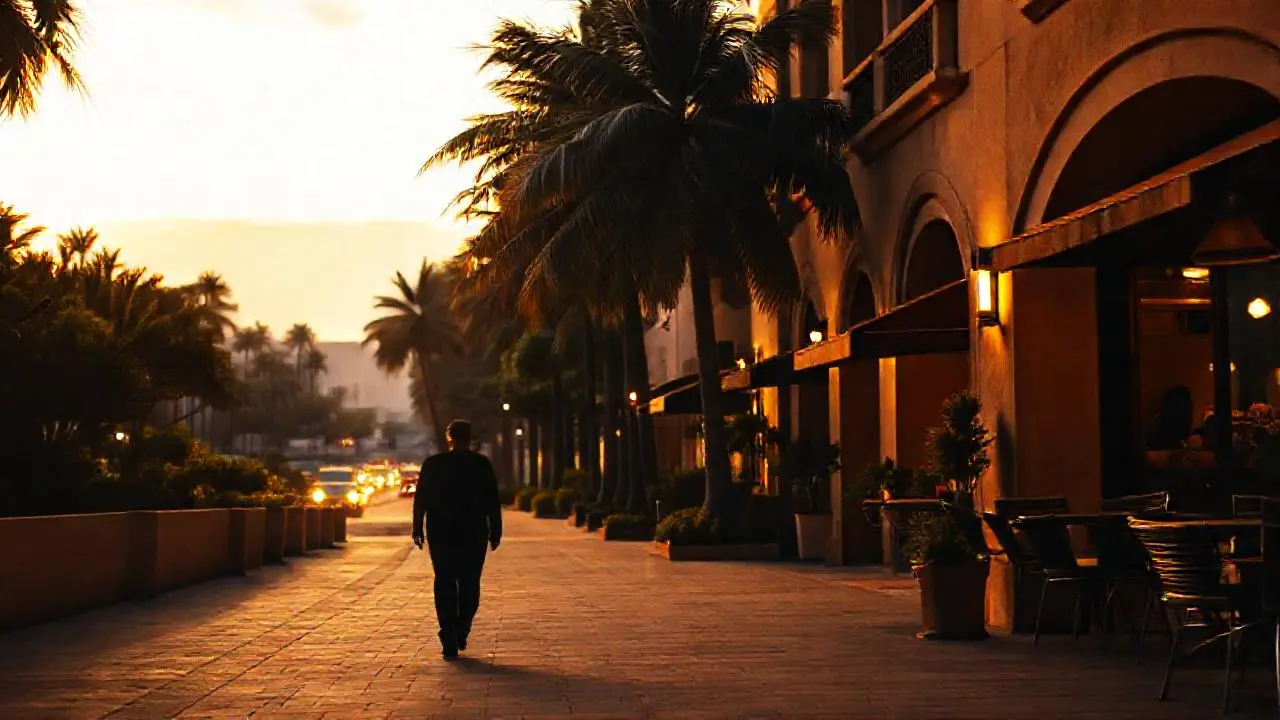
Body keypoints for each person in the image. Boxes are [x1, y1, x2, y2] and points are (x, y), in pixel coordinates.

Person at [411, 420, 502, 660]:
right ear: (469, 437)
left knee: (445, 582)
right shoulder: (481, 464)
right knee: (470, 582)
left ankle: (449, 632)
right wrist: (496, 530)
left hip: (441, 529)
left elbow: (420, 498)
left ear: (449, 437)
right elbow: (493, 499)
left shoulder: (434, 464)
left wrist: (417, 527)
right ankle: (460, 628)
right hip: (473, 530)